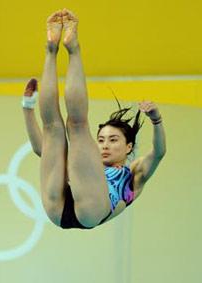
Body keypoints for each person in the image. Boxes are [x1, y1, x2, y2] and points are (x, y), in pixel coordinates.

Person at [21, 9, 166, 229]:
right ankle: (51, 49)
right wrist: (27, 108)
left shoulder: (135, 174)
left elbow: (159, 152)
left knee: (73, 126)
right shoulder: (83, 162)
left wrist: (156, 120)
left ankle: (71, 48)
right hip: (58, 209)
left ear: (129, 147)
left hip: (90, 208)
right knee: (54, 129)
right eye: (101, 139)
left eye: (113, 140)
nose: (105, 145)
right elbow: (41, 147)